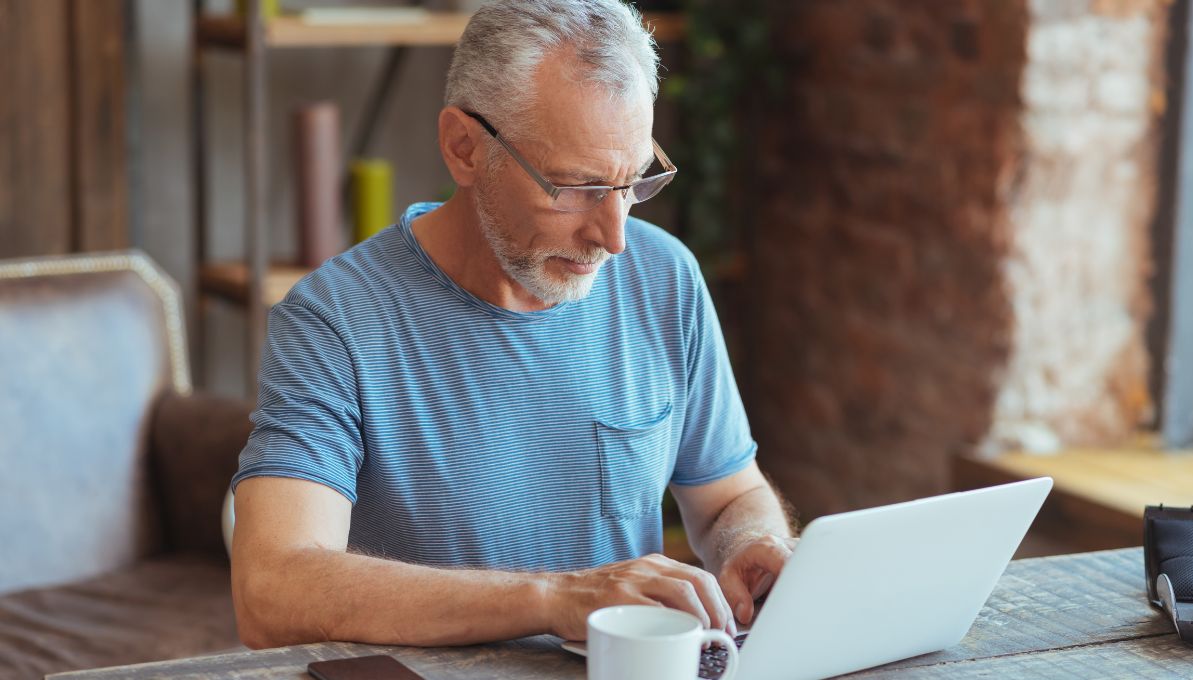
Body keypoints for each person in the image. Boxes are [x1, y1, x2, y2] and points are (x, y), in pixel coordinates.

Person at [230, 0, 797, 649]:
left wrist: (754, 541)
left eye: (633, 182)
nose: (614, 238)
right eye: (575, 187)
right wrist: (554, 599)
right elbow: (272, 591)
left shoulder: (665, 277)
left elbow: (727, 496)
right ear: (464, 147)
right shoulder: (334, 320)